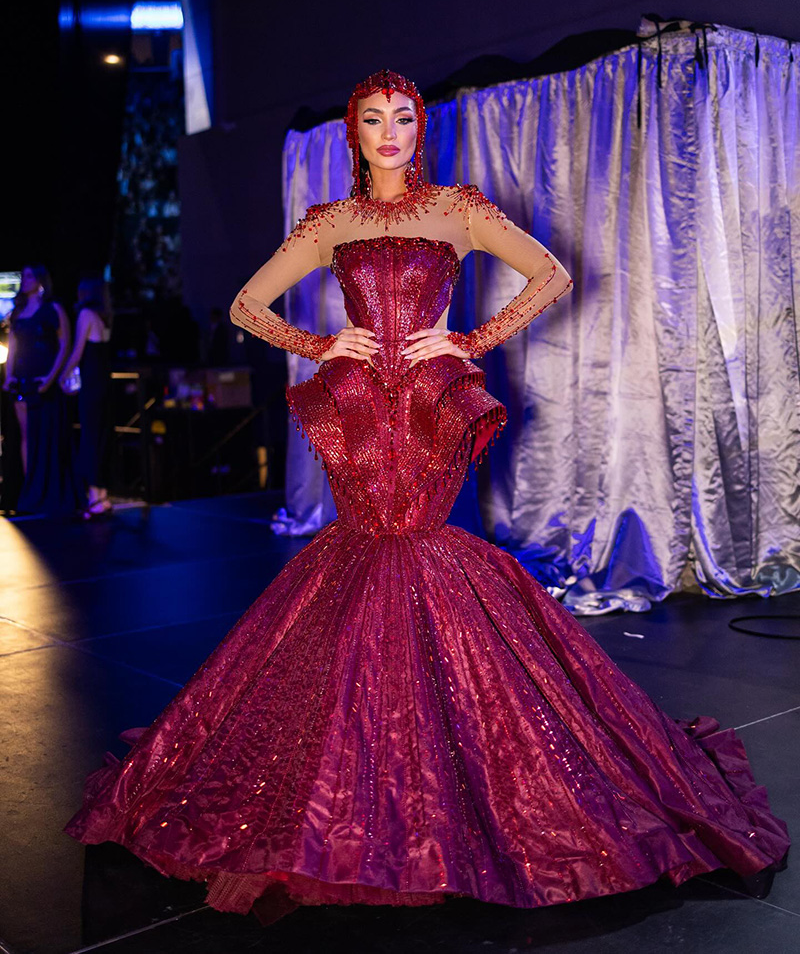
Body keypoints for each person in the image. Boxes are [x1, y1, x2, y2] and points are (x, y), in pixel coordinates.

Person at [65, 70, 789, 925]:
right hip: (359, 406)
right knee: (363, 549)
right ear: (354, 132)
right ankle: (356, 765)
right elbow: (245, 304)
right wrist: (321, 345)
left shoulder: (457, 209)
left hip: (430, 405)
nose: (389, 131)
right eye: (373, 118)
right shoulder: (331, 223)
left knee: (420, 543)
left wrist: (471, 340)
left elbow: (552, 274)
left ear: (419, 129)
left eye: (403, 118)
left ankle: (439, 760)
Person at [2, 265, 80, 515]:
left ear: (40, 280)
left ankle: (49, 489)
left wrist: (52, 376)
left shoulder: (53, 308)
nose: (25, 280)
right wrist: (9, 375)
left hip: (45, 375)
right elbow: (13, 346)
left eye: (29, 276)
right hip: (22, 376)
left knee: (48, 432)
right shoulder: (18, 311)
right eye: (23, 276)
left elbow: (64, 343)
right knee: (27, 435)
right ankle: (31, 489)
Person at [59, 276, 114, 518]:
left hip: (91, 384)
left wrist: (62, 375)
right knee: (101, 435)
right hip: (104, 382)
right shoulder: (105, 316)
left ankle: (94, 496)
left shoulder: (85, 315)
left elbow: (78, 352)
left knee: (90, 436)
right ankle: (102, 494)